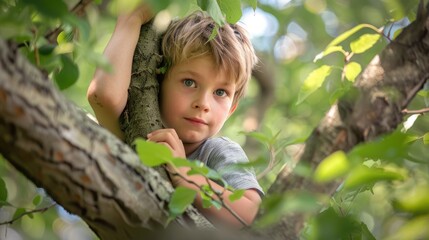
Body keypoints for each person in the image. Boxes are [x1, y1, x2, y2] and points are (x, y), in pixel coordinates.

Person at [87, 5, 263, 228]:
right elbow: (103, 96)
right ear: (159, 83)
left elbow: (252, 213)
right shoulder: (139, 132)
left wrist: (185, 174)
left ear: (231, 109)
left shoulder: (217, 152)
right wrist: (131, 19)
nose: (203, 103)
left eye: (220, 92)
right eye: (189, 82)